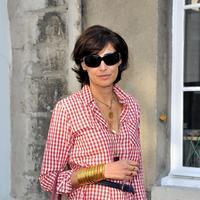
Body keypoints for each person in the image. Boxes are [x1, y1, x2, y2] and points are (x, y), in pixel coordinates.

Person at [39, 25, 147, 200]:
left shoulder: (132, 105)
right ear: (83, 65)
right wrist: (103, 170)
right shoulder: (67, 108)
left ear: (120, 61)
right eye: (93, 60)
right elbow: (48, 179)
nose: (103, 67)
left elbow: (136, 173)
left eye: (110, 58)